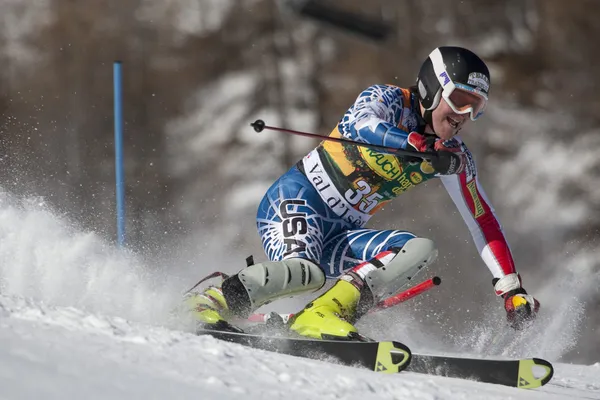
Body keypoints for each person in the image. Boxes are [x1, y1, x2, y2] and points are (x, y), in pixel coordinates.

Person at [185, 46, 540, 339]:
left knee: (417, 249)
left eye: (475, 108)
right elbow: (366, 125)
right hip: (296, 201)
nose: (464, 115)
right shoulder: (386, 98)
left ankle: (323, 312)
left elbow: (482, 220)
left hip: (343, 233)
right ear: (433, 89)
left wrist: (511, 288)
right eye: (459, 100)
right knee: (304, 272)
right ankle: (210, 301)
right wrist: (415, 144)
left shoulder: (453, 156)